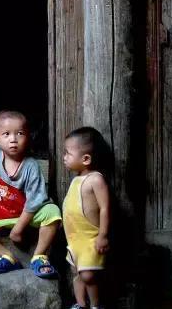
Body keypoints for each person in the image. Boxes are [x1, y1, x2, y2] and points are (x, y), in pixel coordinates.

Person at [0, 111, 62, 277]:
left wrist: (18, 230)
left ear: (28, 137)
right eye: (6, 134)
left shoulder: (30, 165)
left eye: (20, 133)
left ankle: (39, 256)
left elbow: (34, 201)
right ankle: (7, 257)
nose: (13, 139)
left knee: (53, 212)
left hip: (26, 217)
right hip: (0, 217)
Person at [62, 127, 111, 309]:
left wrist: (103, 235)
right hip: (75, 239)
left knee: (88, 275)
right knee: (78, 275)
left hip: (91, 237)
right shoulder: (76, 180)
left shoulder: (96, 180)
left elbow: (105, 208)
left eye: (68, 153)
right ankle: (80, 304)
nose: (64, 157)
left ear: (86, 159)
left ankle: (96, 305)